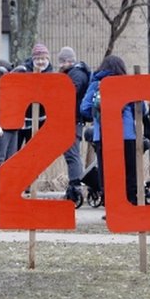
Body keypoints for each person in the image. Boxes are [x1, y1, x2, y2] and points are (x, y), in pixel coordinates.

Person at [80, 55, 138, 204]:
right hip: (126, 134)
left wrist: (96, 115)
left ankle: (111, 204)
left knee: (108, 171)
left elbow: (84, 109)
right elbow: (141, 109)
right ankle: (130, 201)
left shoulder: (96, 84)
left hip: (103, 135)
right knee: (129, 170)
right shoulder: (128, 84)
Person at [56, 47, 91, 202]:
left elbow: (69, 92)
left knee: (72, 154)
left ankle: (75, 187)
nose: (63, 64)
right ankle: (75, 185)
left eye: (64, 61)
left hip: (72, 119)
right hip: (73, 119)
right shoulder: (75, 73)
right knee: (72, 153)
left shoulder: (75, 74)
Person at [18, 44, 53, 148]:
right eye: (37, 59)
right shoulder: (23, 72)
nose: (40, 62)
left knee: (34, 149)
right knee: (15, 150)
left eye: (43, 59)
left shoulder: (51, 75)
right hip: (23, 118)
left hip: (41, 119)